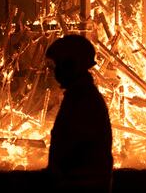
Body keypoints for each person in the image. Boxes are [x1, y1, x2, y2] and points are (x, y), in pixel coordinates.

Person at [45, 34, 113, 192]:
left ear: (70, 65)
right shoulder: (79, 95)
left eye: (57, 66)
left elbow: (71, 149)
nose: (55, 73)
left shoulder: (83, 100)